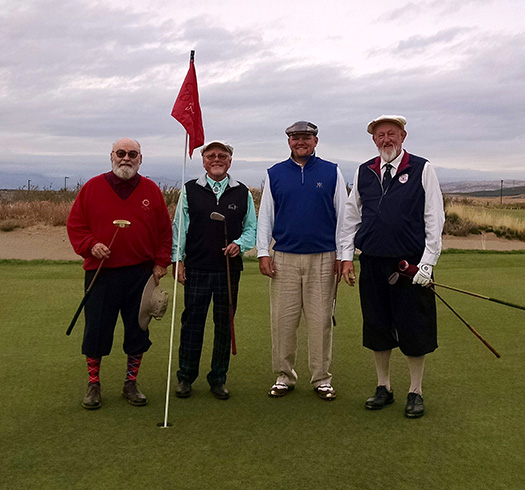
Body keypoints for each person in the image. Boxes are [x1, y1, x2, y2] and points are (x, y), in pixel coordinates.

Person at [341, 115, 445, 418]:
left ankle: (415, 391)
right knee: (377, 325)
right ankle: (383, 387)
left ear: (403, 136)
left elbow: (434, 219)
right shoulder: (365, 171)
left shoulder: (422, 169)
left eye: (392, 134)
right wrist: (347, 256)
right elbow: (351, 218)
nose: (386, 139)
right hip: (373, 260)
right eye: (380, 135)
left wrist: (427, 264)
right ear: (374, 140)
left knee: (414, 328)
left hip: (410, 264)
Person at [67, 137, 172, 410]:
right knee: (97, 330)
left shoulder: (151, 189)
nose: (126, 158)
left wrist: (162, 262)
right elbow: (76, 225)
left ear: (140, 158)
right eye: (121, 153)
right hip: (101, 272)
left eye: (132, 154)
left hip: (140, 273)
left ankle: (130, 383)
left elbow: (164, 231)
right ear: (111, 156)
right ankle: (94, 384)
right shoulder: (92, 187)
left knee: (138, 329)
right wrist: (92, 245)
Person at [257, 121, 347, 400]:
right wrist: (263, 252)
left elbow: (343, 217)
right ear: (289, 142)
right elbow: (266, 216)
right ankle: (284, 375)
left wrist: (343, 256)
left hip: (323, 257)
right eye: (296, 138)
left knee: (320, 321)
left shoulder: (332, 171)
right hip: (284, 257)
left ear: (315, 141)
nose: (301, 142)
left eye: (306, 137)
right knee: (284, 321)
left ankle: (321, 378)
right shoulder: (275, 173)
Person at [172, 141, 256, 400]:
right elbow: (179, 228)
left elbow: (251, 229)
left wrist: (239, 244)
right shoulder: (189, 190)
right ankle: (186, 376)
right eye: (211, 155)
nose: (217, 159)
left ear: (230, 161)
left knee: (224, 325)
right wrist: (177, 260)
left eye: (222, 155)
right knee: (192, 324)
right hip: (197, 267)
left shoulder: (243, 192)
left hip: (228, 270)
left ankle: (218, 378)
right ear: (203, 160)